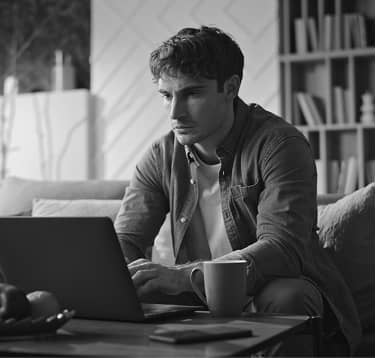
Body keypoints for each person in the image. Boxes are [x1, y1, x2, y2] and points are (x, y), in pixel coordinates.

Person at [114, 26, 361, 355]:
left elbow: (281, 249)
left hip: (268, 289)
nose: (175, 112)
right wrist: (120, 279)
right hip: (198, 297)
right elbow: (124, 240)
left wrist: (183, 277)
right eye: (166, 95)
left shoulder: (279, 145)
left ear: (230, 87)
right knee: (136, 292)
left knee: (287, 295)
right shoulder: (161, 155)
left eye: (192, 94)